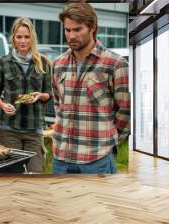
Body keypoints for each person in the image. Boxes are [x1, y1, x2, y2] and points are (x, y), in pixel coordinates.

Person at [52, 2, 130, 174]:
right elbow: (59, 105)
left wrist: (109, 141)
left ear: (92, 28)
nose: (71, 35)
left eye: (77, 30)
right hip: (61, 158)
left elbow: (125, 111)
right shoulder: (58, 64)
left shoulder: (115, 64)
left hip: (97, 159)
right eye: (67, 30)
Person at [0, 17, 53, 173]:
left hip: (34, 129)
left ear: (32, 38)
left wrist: (40, 96)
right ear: (13, 38)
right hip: (10, 129)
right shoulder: (2, 63)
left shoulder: (43, 63)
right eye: (19, 37)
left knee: (35, 174)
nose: (23, 41)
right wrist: (2, 105)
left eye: (27, 36)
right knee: (12, 174)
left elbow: (49, 94)